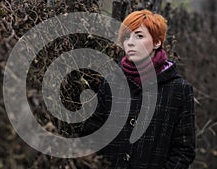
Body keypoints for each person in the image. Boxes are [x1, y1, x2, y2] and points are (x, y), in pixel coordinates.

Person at [82, 9, 196, 169]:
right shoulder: (112, 81)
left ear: (157, 42)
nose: (130, 42)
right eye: (126, 37)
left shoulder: (179, 90)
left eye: (139, 36)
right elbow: (91, 134)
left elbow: (184, 149)